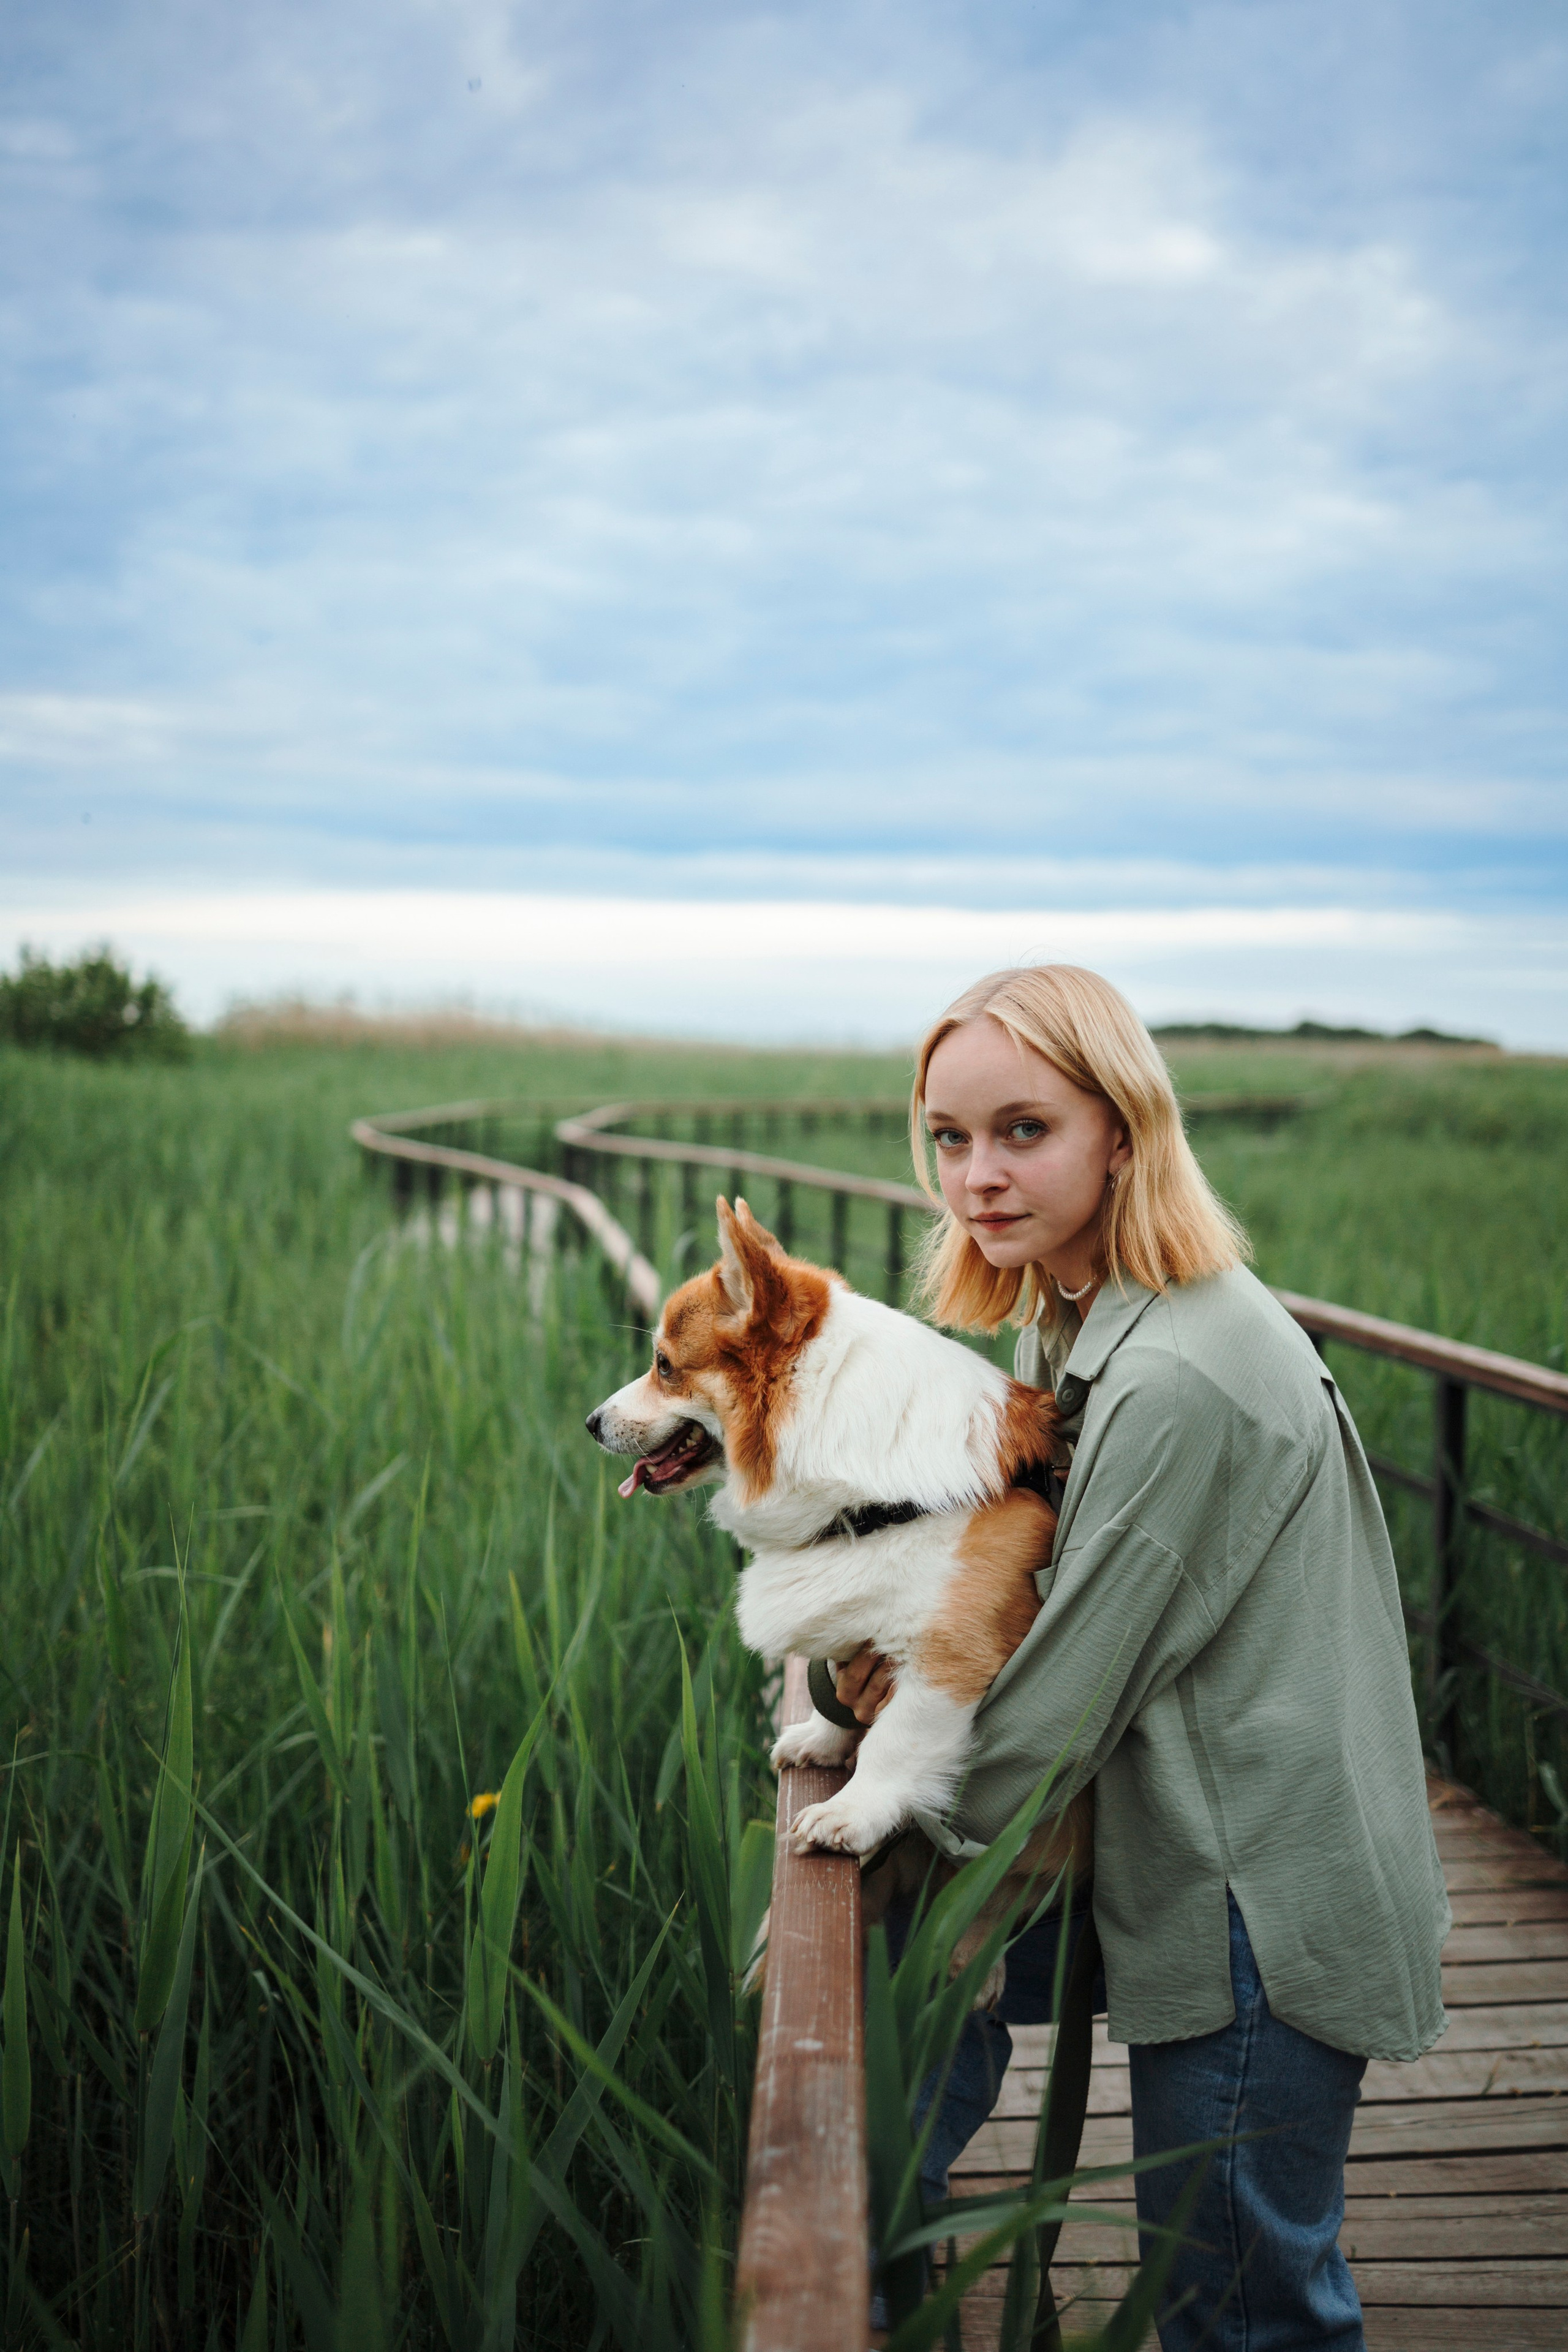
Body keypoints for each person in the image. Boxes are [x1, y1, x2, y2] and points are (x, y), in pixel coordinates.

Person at [834, 964, 1449, 2352]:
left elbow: (1049, 1711)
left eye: (1021, 1131)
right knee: (911, 1972)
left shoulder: (1175, 1371)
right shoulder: (1090, 1314)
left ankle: (855, 2262)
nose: (974, 1177)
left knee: (1240, 2309)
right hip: (1183, 1838)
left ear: (1122, 1129)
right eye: (946, 1136)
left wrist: (877, 1765)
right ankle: (857, 2254)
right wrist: (855, 1691)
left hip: (1253, 1903)